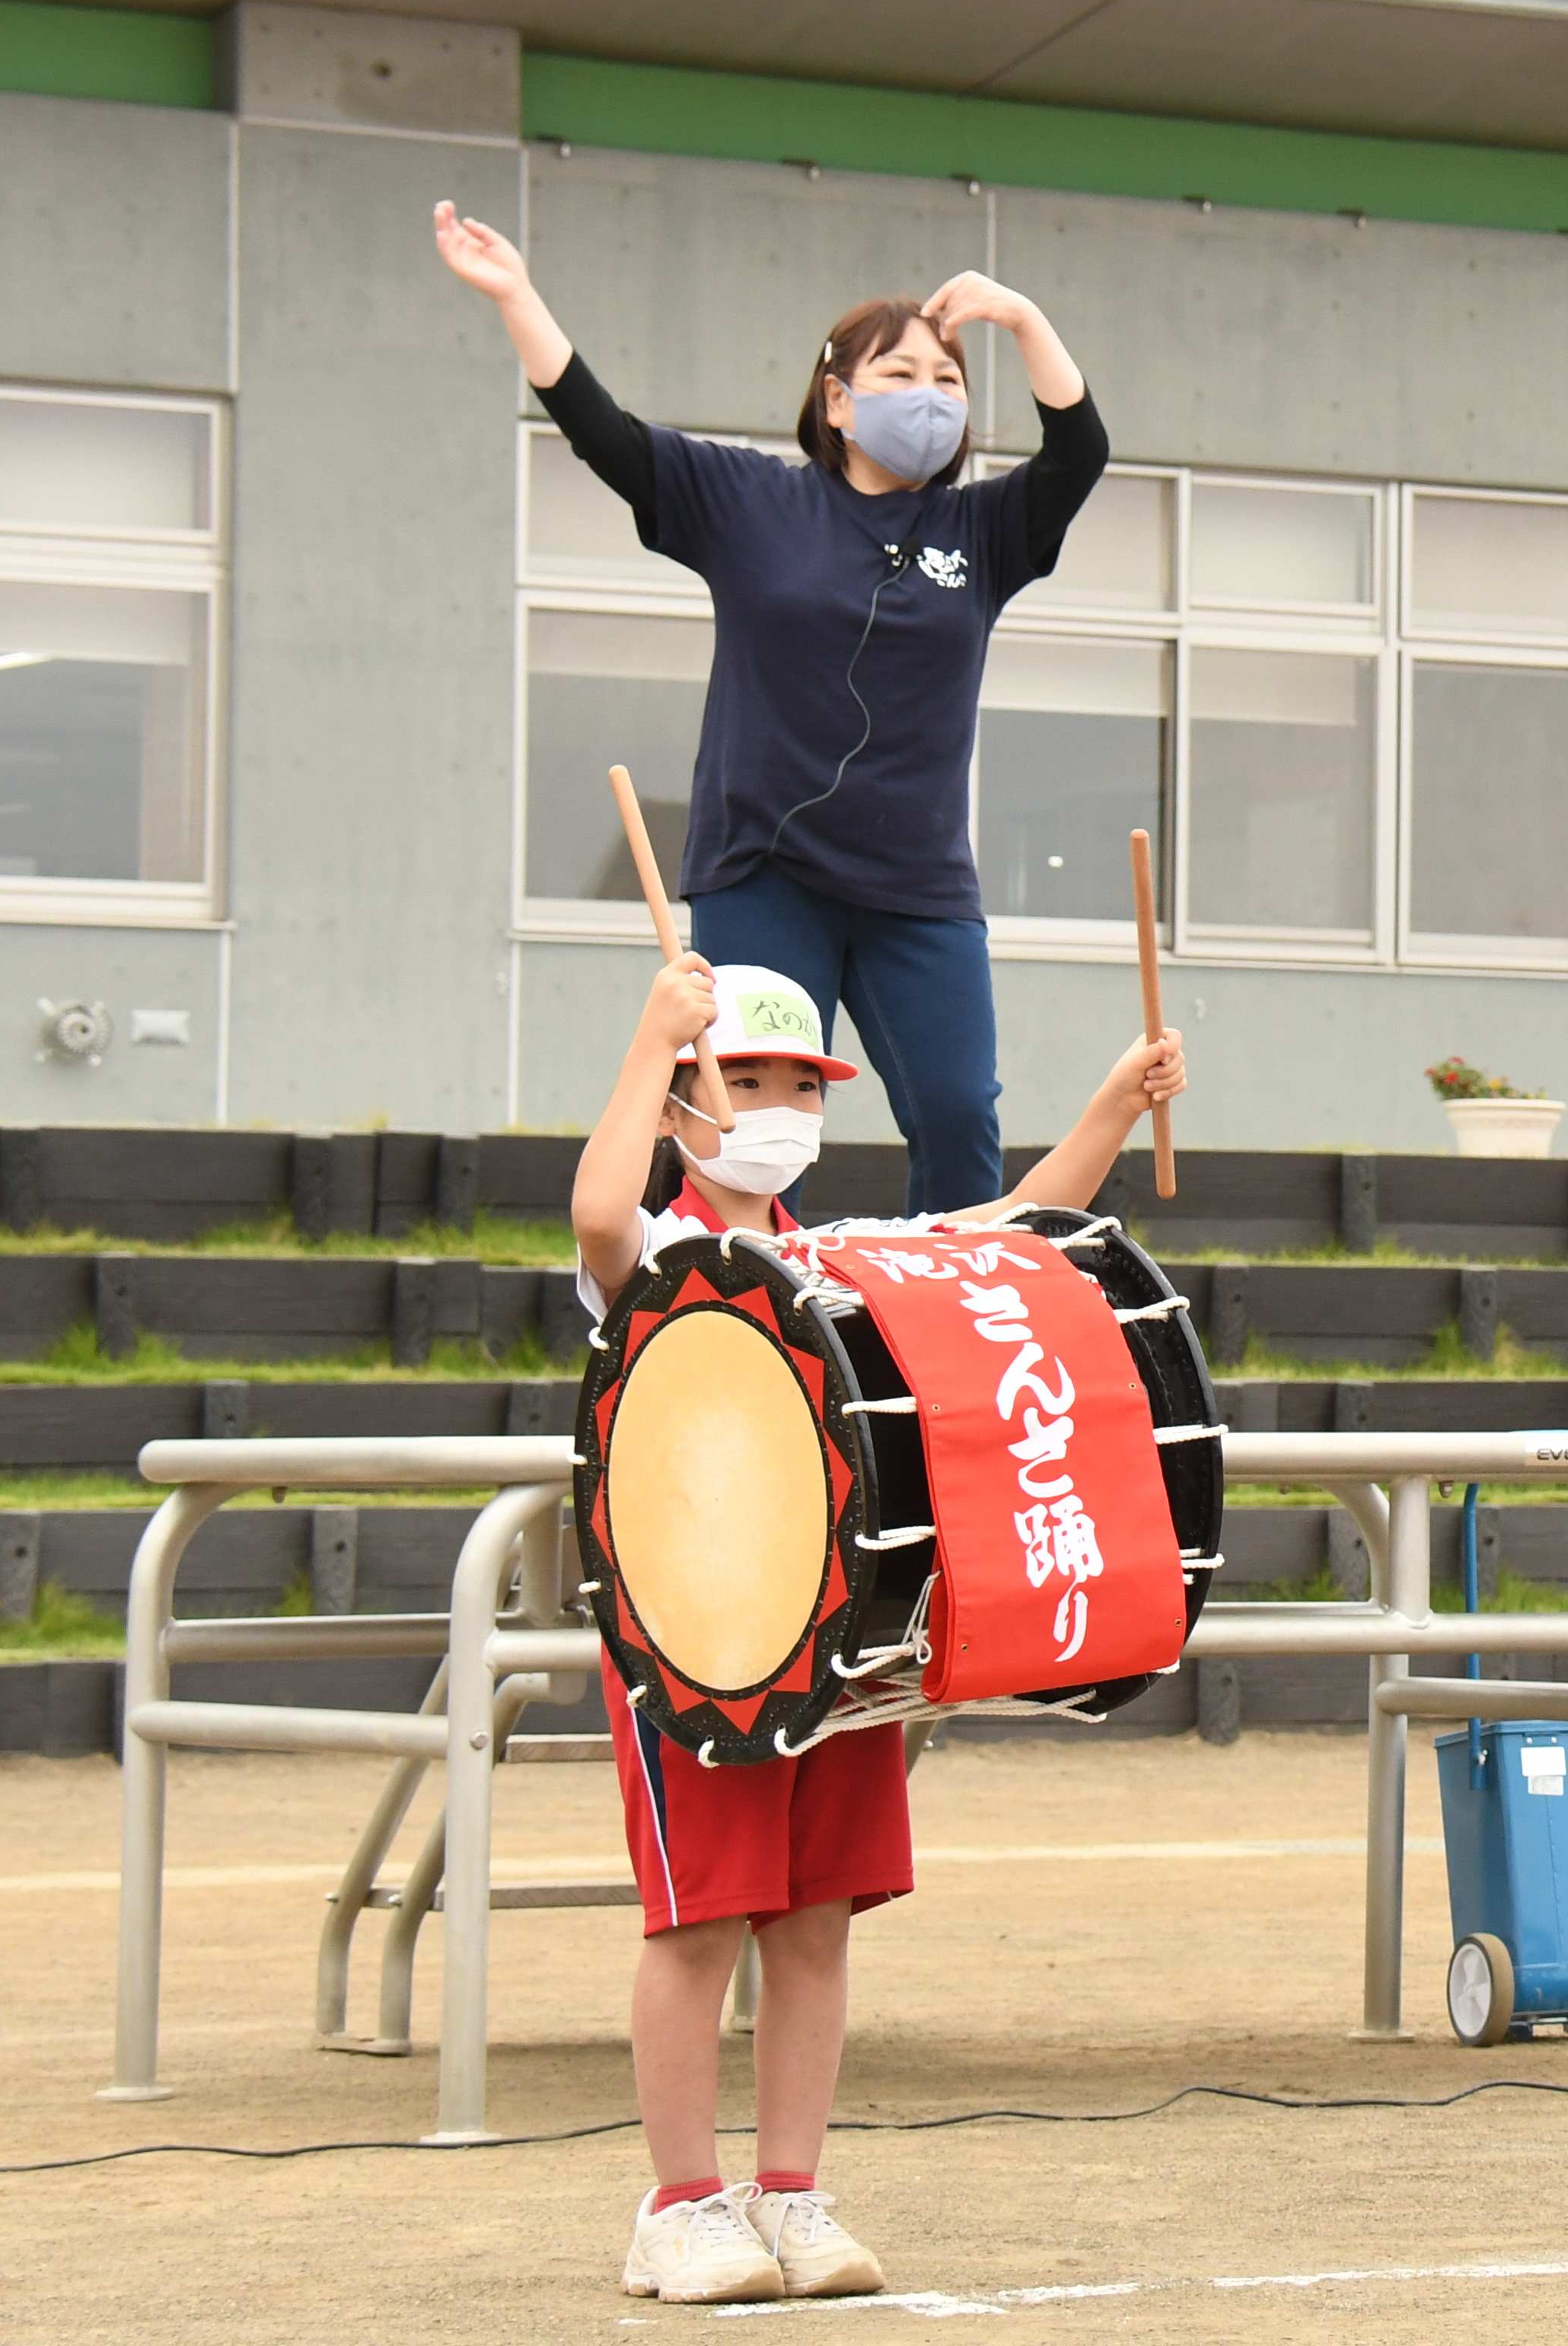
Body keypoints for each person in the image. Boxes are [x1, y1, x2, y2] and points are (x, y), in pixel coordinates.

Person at [572, 953, 1184, 2304]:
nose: (777, 1106)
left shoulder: (832, 1258)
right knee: (698, 1925)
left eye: (801, 1084)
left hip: (836, 1640)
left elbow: (1010, 1230)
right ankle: (677, 2207)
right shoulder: (663, 1254)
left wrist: (1112, 1103)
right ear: (680, 1103)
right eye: (744, 1080)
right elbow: (597, 1212)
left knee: (815, 1921)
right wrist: (650, 1042)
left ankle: (789, 2190)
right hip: (698, 1653)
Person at [436, 201, 1109, 1215]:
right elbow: (605, 435)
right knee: (743, 1121)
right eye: (899, 375)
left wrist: (1023, 320)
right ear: (837, 400)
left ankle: (945, 1295)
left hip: (918, 883)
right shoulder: (752, 502)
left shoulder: (985, 530)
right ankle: (718, 1284)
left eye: (949, 381)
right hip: (765, 870)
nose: (929, 398)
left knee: (959, 1112)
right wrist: (517, 296)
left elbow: (1079, 451)